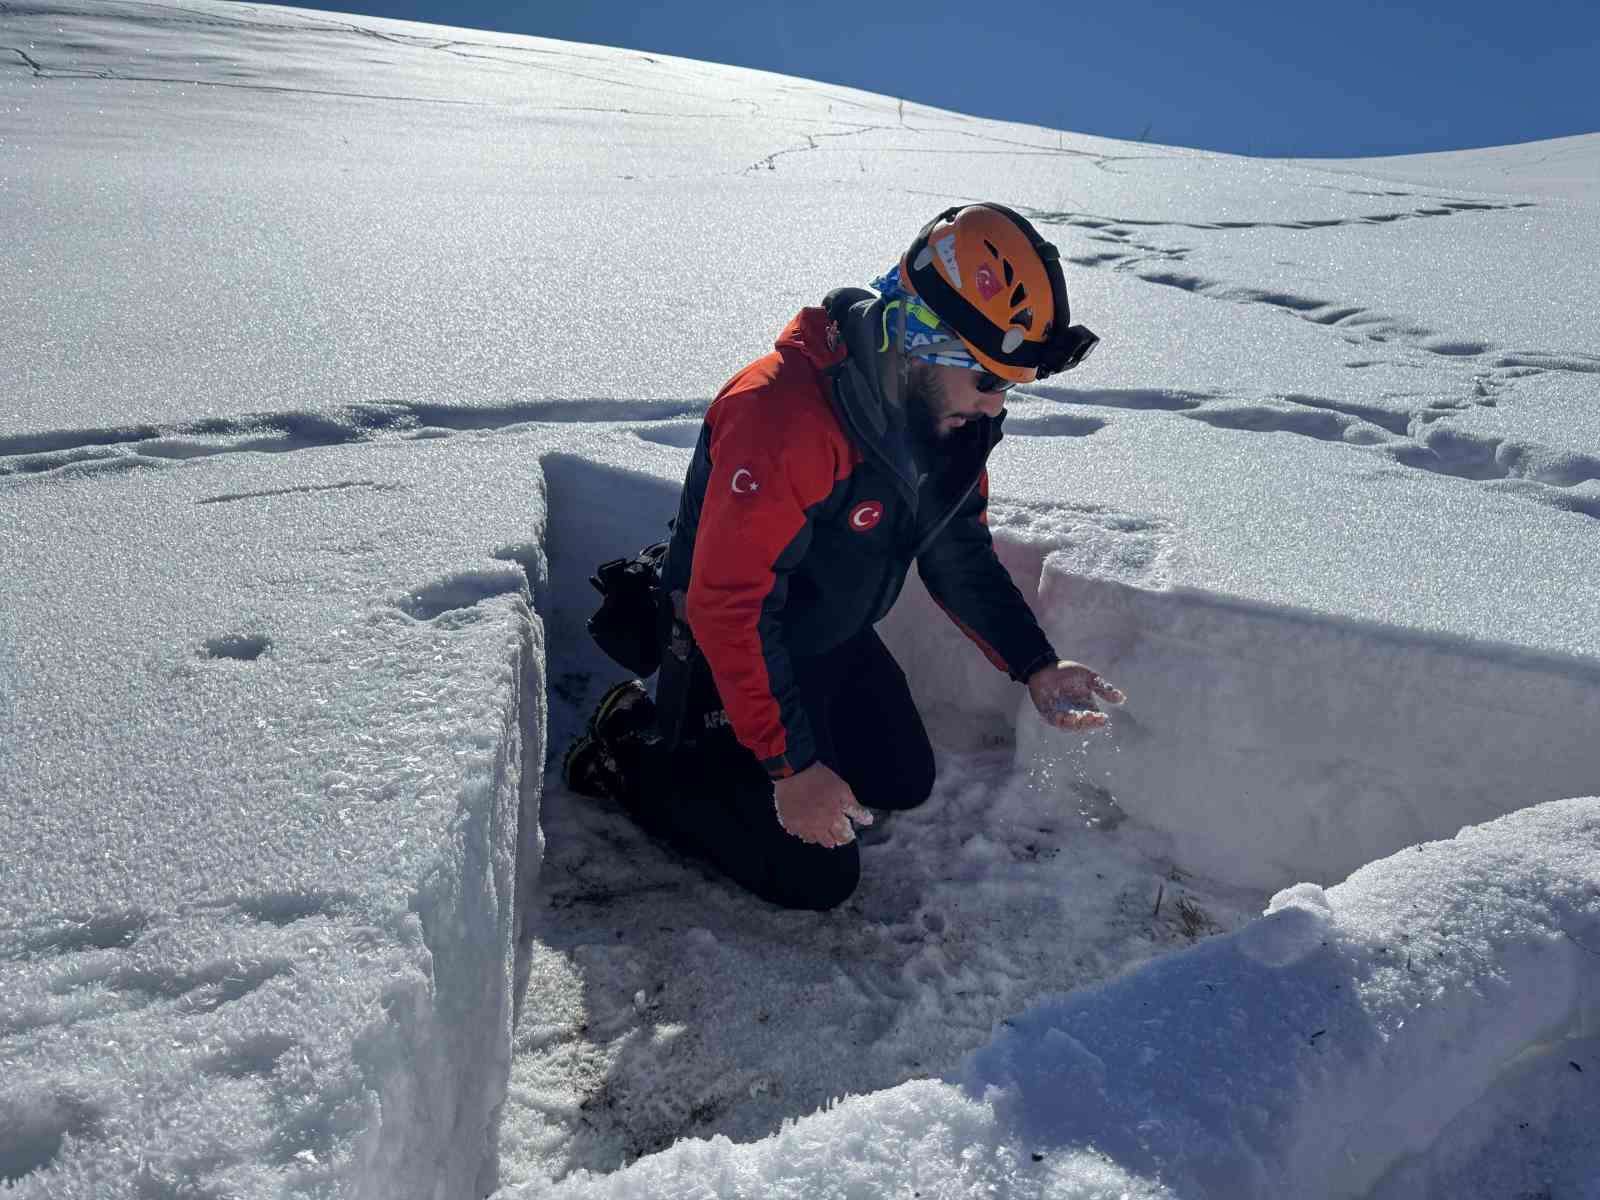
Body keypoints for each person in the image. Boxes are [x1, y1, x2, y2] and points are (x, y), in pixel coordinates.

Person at [565, 202, 1125, 911]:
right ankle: (632, 744)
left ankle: (769, 755)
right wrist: (792, 769)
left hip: (827, 638)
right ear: (920, 342)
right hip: (723, 653)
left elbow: (957, 550)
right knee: (818, 878)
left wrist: (1035, 664)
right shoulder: (782, 414)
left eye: (1010, 386)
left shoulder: (947, 422)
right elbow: (729, 610)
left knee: (903, 783)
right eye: (987, 379)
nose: (996, 405)